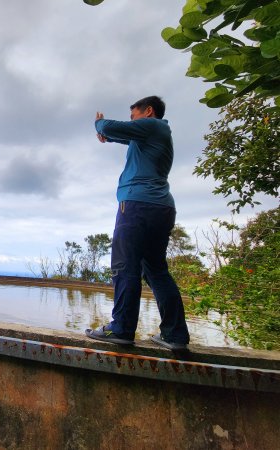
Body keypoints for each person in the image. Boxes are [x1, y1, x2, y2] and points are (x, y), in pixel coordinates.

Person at [85, 96, 190, 351]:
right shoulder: (155, 134)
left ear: (149, 111)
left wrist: (100, 126)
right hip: (161, 207)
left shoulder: (154, 125)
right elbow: (123, 136)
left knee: (124, 265)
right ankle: (174, 336)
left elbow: (110, 127)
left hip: (137, 205)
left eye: (133, 116)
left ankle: (121, 329)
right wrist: (110, 137)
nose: (131, 121)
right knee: (155, 270)